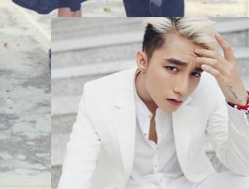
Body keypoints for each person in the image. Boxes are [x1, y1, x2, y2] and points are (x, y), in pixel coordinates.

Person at [58, 17, 249, 189]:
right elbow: (76, 171)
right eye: (172, 68)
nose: (183, 88)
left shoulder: (208, 89)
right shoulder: (98, 94)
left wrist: (239, 99)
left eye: (195, 73)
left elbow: (243, 165)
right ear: (143, 61)